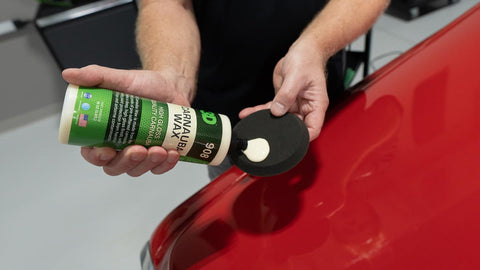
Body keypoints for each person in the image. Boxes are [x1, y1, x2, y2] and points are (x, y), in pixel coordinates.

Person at [62, 0, 390, 179]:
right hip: (219, 125)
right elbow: (168, 4)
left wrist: (316, 47)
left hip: (318, 93)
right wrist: (173, 76)